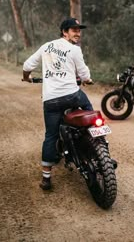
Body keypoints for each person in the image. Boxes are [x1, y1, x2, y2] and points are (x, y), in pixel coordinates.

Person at [22, 17, 93, 190]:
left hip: (51, 99)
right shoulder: (74, 50)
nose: (78, 33)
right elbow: (83, 72)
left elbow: (27, 65)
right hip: (72, 95)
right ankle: (95, 142)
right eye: (74, 30)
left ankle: (46, 178)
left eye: (79, 30)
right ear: (64, 32)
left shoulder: (46, 46)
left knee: (51, 136)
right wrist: (87, 80)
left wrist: (26, 78)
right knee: (89, 111)